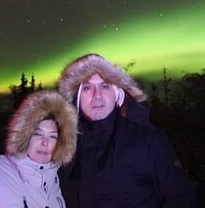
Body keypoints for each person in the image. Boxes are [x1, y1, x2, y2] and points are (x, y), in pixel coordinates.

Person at [57, 53, 196, 208]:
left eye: (105, 86)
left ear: (117, 95)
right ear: (77, 98)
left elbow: (180, 199)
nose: (97, 96)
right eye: (88, 88)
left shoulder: (148, 141)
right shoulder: (63, 147)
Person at [0, 90, 78, 208]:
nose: (45, 143)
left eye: (52, 137)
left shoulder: (54, 182)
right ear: (24, 135)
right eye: (37, 134)